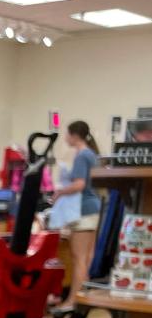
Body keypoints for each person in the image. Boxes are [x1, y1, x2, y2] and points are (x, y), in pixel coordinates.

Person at [52, 120, 102, 305]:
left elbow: (80, 184)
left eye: (67, 134)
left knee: (79, 258)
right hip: (92, 209)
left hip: (84, 210)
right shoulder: (91, 154)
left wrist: (60, 192)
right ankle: (81, 299)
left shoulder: (82, 156)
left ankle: (73, 301)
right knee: (86, 258)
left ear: (74, 135)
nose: (65, 138)